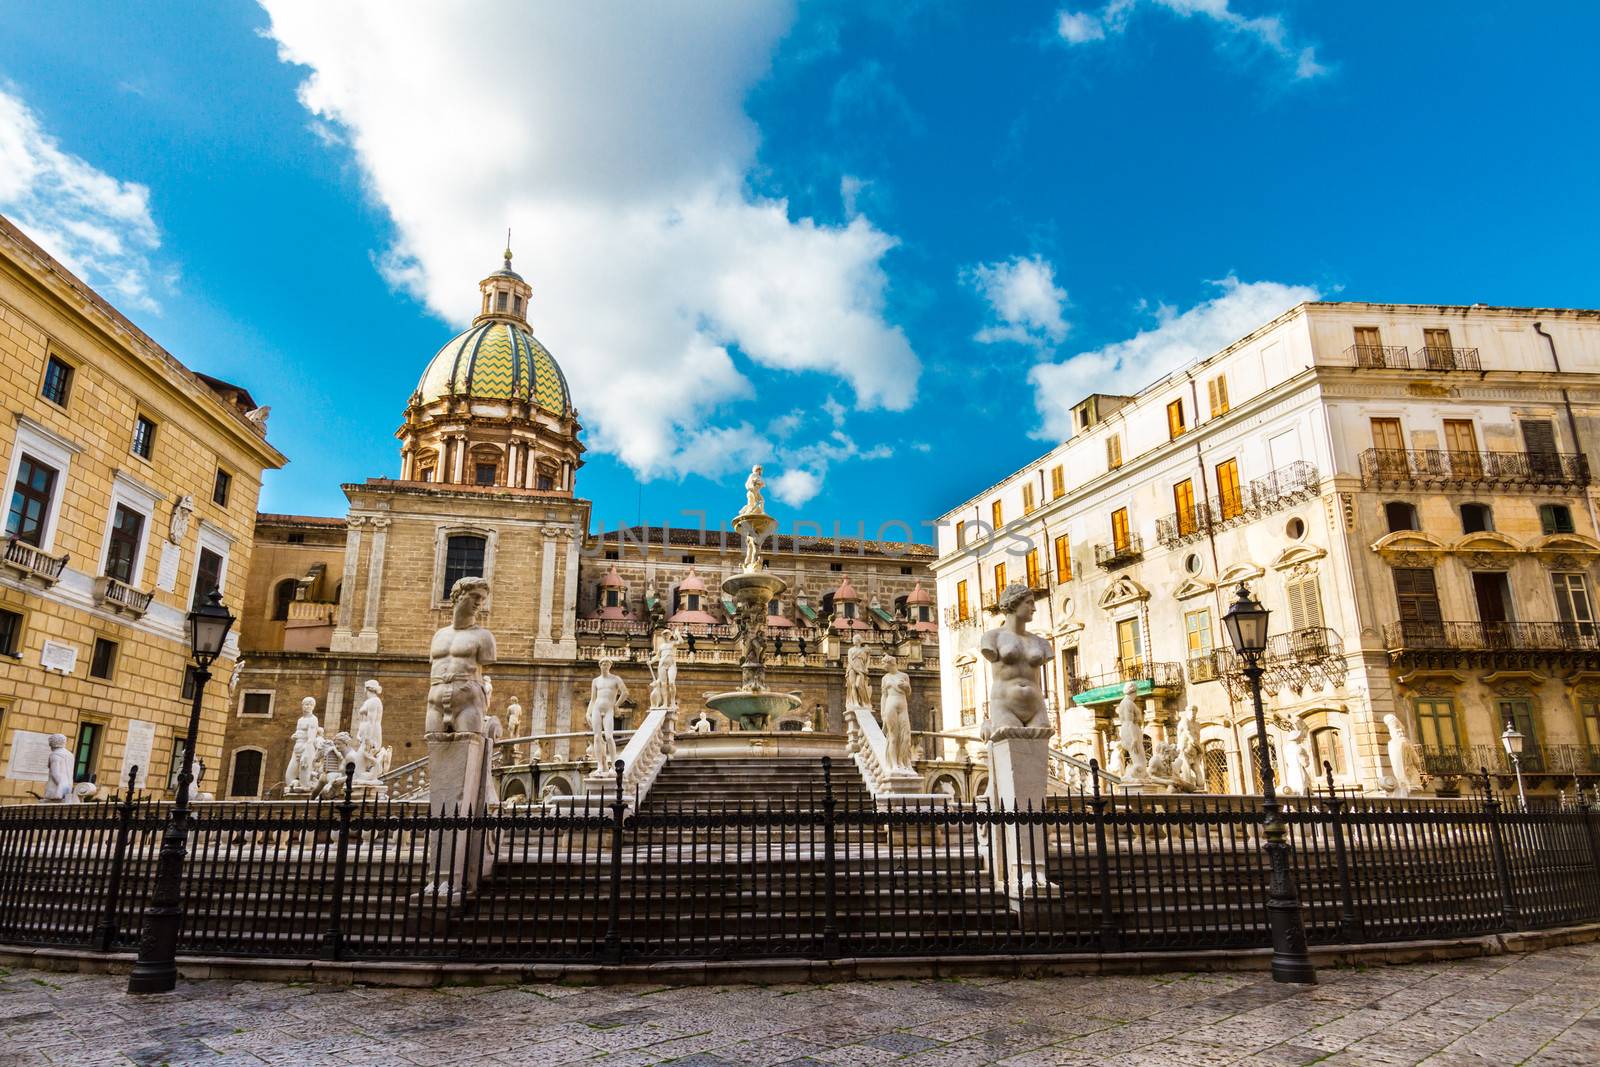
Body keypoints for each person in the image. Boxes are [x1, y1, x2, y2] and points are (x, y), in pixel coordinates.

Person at [426, 577, 496, 736]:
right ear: (458, 596)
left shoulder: (484, 637)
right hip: (434, 703)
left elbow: (486, 660)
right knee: (434, 746)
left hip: (468, 703)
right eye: (475, 596)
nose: (479, 602)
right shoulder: (439, 636)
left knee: (467, 747)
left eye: (482, 599)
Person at [979, 583, 1051, 731]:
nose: (1034, 608)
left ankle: (989, 725)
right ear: (1013, 603)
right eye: (1029, 603)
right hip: (1005, 705)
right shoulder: (992, 637)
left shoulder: (1041, 642)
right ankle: (989, 724)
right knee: (1011, 744)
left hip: (1036, 706)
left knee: (1039, 749)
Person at [587, 657, 630, 773]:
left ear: (610, 666)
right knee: (596, 737)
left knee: (609, 737)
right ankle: (600, 765)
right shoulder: (595, 681)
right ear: (600, 665)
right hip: (596, 708)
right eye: (603, 664)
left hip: (609, 709)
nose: (605, 666)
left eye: (607, 664)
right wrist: (588, 713)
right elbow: (592, 699)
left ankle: (614, 764)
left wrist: (616, 705)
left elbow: (625, 692)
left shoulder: (615, 679)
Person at [880, 655, 914, 772]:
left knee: (905, 736)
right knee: (893, 737)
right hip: (890, 706)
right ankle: (894, 764)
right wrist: (883, 713)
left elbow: (909, 692)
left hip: (903, 706)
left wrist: (906, 686)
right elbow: (884, 696)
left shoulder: (904, 676)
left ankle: (902, 761)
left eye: (884, 663)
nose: (882, 666)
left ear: (891, 663)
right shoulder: (885, 678)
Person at [845, 634, 872, 708]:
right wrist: (854, 667)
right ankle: (856, 703)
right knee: (853, 685)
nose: (853, 640)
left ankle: (864, 702)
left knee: (859, 685)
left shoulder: (864, 650)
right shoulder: (850, 650)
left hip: (861, 668)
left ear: (858, 640)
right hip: (852, 668)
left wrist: (866, 668)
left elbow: (868, 660)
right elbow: (849, 660)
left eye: (854, 639)